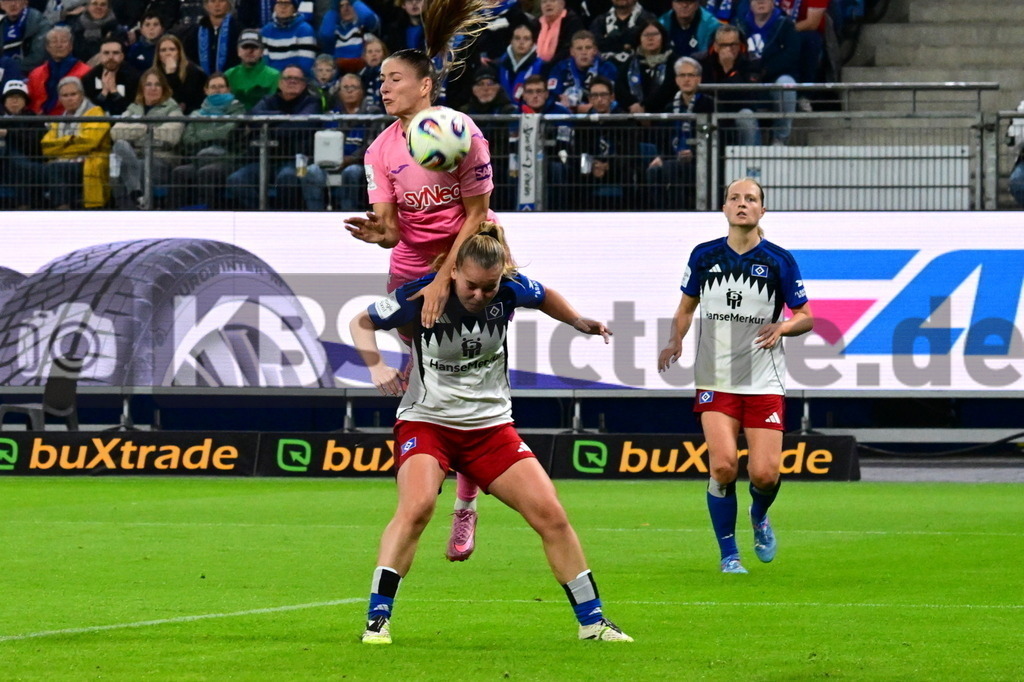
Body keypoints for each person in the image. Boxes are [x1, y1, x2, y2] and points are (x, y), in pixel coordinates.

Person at [351, 221, 632, 645]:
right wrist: (375, 364)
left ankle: (593, 623)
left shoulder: (510, 289)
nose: (481, 296)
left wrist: (577, 321)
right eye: (472, 287)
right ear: (455, 271)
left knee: (551, 515)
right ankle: (378, 619)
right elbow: (361, 322)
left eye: (489, 287)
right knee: (418, 507)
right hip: (429, 422)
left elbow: (546, 296)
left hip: (490, 430)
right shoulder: (421, 294)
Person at [343, 0, 500, 563]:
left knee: (471, 371)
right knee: (431, 380)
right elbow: (391, 227)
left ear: (424, 84)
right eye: (380, 79)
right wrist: (378, 235)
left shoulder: (462, 133)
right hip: (413, 264)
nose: (382, 87)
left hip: (473, 257)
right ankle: (430, 478)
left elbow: (478, 214)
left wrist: (446, 278)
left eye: (393, 79)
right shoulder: (381, 149)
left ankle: (465, 504)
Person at [657, 177, 813, 574]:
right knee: (723, 465)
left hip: (763, 379)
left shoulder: (779, 260)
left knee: (764, 474)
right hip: (715, 377)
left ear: (763, 211)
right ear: (724, 208)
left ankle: (759, 515)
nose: (742, 204)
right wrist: (675, 340)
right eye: (734, 198)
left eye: (751, 199)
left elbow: (807, 318)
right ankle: (729, 554)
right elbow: (686, 308)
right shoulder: (704, 255)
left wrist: (782, 328)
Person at [225, 63, 325, 210]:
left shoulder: (311, 102)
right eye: (288, 78)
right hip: (266, 159)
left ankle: (285, 221)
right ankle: (263, 216)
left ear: (304, 84)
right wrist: (286, 117)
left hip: (296, 159)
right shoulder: (268, 100)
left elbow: (299, 126)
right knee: (236, 180)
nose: (292, 81)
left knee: (287, 178)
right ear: (280, 82)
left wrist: (268, 126)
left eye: (297, 79)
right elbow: (251, 117)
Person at [109, 67, 185, 209]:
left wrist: (135, 135)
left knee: (137, 165)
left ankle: (137, 206)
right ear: (142, 88)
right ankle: (136, 200)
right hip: (134, 156)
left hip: (161, 159)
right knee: (119, 150)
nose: (153, 88)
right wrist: (146, 129)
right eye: (148, 84)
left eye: (157, 84)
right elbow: (116, 132)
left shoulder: (173, 110)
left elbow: (170, 136)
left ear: (164, 88)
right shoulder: (133, 109)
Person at [645, 55, 712, 210]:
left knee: (671, 168)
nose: (686, 79)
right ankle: (660, 214)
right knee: (653, 171)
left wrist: (695, 153)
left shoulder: (708, 104)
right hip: (673, 159)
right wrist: (661, 157)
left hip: (700, 163)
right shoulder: (670, 107)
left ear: (699, 79)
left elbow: (717, 139)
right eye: (682, 75)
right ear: (676, 80)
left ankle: (679, 213)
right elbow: (663, 139)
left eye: (691, 75)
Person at [171, 71, 245, 208]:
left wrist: (203, 134)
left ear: (228, 89)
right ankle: (178, 217)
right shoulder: (196, 114)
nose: (217, 90)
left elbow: (229, 134)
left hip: (227, 159)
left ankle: (208, 215)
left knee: (209, 172)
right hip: (199, 158)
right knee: (180, 172)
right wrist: (215, 135)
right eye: (213, 87)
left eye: (221, 86)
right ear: (206, 90)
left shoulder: (237, 110)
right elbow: (188, 139)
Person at [40, 75, 111, 208]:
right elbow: (46, 147)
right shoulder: (59, 120)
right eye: (65, 95)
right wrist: (71, 141)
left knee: (55, 168)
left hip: (89, 163)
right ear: (60, 99)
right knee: (35, 170)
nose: (70, 98)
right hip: (66, 165)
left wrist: (62, 145)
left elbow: (89, 142)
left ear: (82, 95)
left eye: (73, 94)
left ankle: (62, 208)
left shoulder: (95, 114)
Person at [737, 0, 799, 145]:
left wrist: (766, 70)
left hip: (774, 77)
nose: (760, 1)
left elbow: (792, 54)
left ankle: (780, 138)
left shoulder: (786, 25)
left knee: (786, 84)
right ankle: (752, 147)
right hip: (746, 78)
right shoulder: (739, 26)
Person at [462, 64, 517, 211]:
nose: (486, 88)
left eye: (490, 84)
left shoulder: (509, 111)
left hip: (501, 163)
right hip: (470, 165)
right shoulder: (464, 113)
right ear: (473, 89)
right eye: (480, 84)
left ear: (498, 87)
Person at [697, 24, 762, 146]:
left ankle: (750, 163)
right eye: (724, 45)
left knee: (747, 116)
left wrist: (729, 70)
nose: (729, 49)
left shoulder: (751, 63)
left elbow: (749, 98)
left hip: (736, 111)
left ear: (739, 45)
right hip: (711, 111)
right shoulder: (702, 62)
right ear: (716, 47)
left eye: (733, 45)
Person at [324, 72, 379, 210]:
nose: (349, 91)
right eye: (345, 87)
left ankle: (348, 214)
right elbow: (324, 142)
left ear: (362, 91)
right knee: (312, 171)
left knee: (352, 172)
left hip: (358, 163)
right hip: (330, 162)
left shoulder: (372, 114)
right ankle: (315, 216)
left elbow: (372, 145)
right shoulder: (331, 115)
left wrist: (351, 159)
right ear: (339, 92)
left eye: (353, 87)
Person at [546, 30, 618, 113]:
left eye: (588, 48)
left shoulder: (607, 68)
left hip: (598, 113)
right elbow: (552, 94)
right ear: (572, 52)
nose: (584, 52)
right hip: (567, 114)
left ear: (595, 50)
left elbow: (610, 97)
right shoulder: (560, 68)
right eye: (579, 48)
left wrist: (592, 107)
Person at [0, 78, 46, 207]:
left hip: (25, 158)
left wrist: (8, 133)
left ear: (25, 101)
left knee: (21, 165)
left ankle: (24, 205)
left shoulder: (33, 119)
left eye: (19, 97)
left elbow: (35, 144)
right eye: (11, 97)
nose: (15, 101)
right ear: (4, 101)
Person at [615, 18, 676, 114]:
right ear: (640, 39)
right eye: (646, 35)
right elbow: (620, 87)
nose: (650, 38)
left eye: (654, 34)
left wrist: (645, 108)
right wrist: (633, 104)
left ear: (662, 37)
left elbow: (668, 88)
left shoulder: (673, 61)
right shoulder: (631, 62)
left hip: (664, 115)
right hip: (633, 115)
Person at [26, 26, 90, 114]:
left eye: (63, 41)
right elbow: (30, 103)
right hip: (39, 122)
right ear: (47, 47)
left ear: (71, 46)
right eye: (54, 41)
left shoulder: (86, 72)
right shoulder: (36, 74)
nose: (59, 45)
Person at [181, 0, 242, 76]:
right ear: (206, 5)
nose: (217, 5)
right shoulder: (194, 32)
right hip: (201, 81)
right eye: (212, 1)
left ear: (228, 4)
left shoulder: (238, 30)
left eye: (221, 1)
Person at [224, 28, 280, 110]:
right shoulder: (228, 75)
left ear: (262, 52)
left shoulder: (275, 76)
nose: (250, 51)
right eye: (245, 47)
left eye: (254, 47)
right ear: (238, 51)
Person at [588, 0, 655, 68]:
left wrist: (609, 39)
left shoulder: (648, 19)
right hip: (604, 71)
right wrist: (624, 44)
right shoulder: (599, 21)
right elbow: (595, 43)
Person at [318, 0, 380, 74]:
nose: (346, 9)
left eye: (349, 4)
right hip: (339, 73)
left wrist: (354, 2)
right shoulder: (334, 30)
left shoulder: (363, 26)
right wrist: (333, 9)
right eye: (341, 6)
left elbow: (370, 19)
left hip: (363, 72)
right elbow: (325, 35)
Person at [82, 36, 139, 115]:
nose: (110, 57)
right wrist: (103, 93)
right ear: (100, 56)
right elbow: (87, 110)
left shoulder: (134, 77)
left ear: (122, 56)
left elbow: (133, 109)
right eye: (106, 53)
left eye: (115, 53)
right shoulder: (89, 77)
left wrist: (114, 91)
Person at [492, 20, 545, 104]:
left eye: (526, 38)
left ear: (532, 43)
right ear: (511, 41)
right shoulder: (498, 65)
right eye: (517, 38)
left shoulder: (542, 66)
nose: (521, 42)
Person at [260, 0, 316, 75]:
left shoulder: (305, 29)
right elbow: (264, 62)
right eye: (279, 3)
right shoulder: (266, 30)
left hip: (296, 79)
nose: (283, 7)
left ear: (294, 8)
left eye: (287, 3)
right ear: (274, 7)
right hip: (271, 79)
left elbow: (306, 64)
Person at [155, 34, 207, 113]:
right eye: (163, 50)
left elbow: (183, 101)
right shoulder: (153, 73)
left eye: (172, 49)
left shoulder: (193, 71)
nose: (168, 53)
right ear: (158, 55)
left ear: (179, 52)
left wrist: (172, 75)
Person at [0, 0, 53, 73]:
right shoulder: (2, 24)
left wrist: (10, 67)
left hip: (33, 73)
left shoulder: (38, 21)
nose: (13, 4)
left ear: (25, 1)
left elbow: (39, 57)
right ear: (1, 5)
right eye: (8, 0)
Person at [535, 0, 585, 66]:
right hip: (536, 66)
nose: (548, 4)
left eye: (552, 1)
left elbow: (568, 50)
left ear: (562, 4)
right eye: (544, 2)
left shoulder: (572, 22)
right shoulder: (535, 24)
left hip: (563, 66)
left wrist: (547, 65)